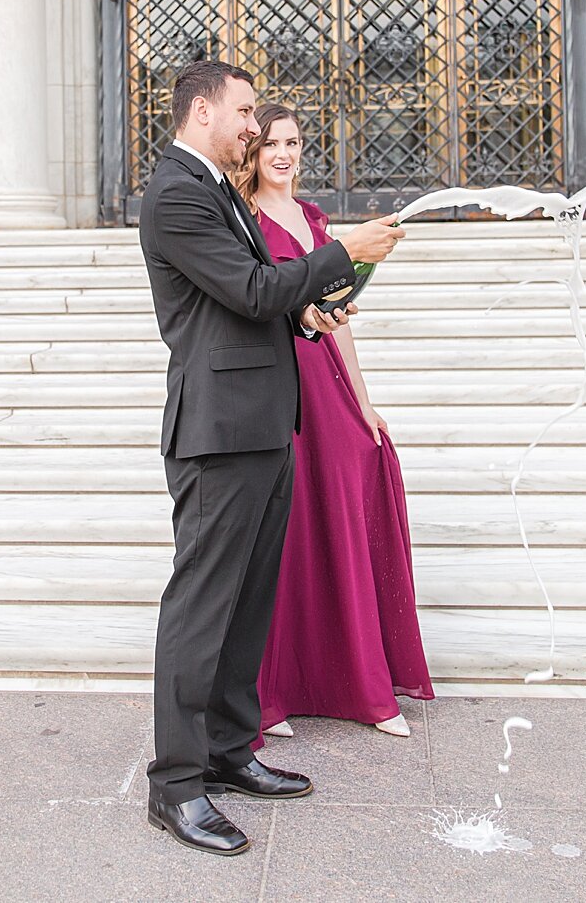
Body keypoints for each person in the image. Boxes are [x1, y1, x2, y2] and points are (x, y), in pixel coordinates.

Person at [138, 60, 405, 857]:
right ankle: (176, 785)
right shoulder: (178, 192)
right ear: (201, 111)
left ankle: (227, 749)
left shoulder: (218, 186)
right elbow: (250, 289)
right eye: (246, 111)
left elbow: (259, 301)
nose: (255, 127)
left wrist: (314, 315)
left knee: (250, 600)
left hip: (262, 422)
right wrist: (340, 248)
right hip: (217, 432)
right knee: (201, 604)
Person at [233, 105, 435, 742]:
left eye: (293, 142)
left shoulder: (317, 221)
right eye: (272, 144)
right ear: (254, 152)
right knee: (285, 528)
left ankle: (364, 687)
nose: (285, 154)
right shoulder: (247, 221)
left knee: (347, 502)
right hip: (278, 379)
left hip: (328, 378)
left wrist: (363, 400)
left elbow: (339, 317)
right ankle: (272, 693)